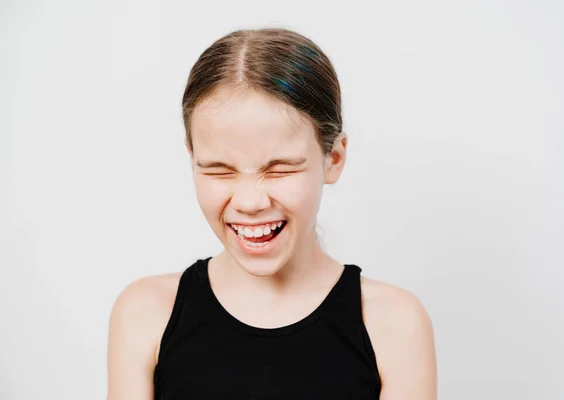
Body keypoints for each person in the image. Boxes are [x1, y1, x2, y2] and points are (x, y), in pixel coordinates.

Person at [107, 27, 437, 399]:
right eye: (218, 170)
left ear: (335, 158)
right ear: (192, 160)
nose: (250, 202)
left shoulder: (392, 324)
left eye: (280, 170)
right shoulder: (146, 313)